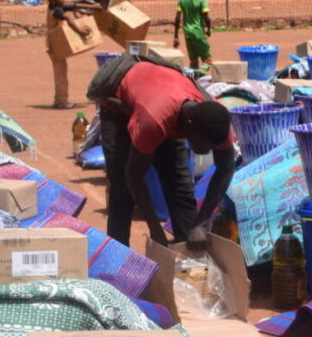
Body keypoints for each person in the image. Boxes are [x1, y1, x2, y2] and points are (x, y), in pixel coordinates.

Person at [94, 59, 237, 250]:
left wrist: (200, 224)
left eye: (210, 148)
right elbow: (134, 176)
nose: (205, 152)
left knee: (181, 190)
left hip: (161, 98)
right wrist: (155, 229)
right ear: (189, 127)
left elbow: (226, 168)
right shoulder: (154, 121)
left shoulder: (216, 119)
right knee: (122, 190)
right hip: (120, 107)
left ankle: (188, 261)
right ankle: (117, 261)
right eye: (203, 145)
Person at [45, 0, 93, 109]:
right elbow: (68, 18)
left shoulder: (56, 7)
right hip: (55, 44)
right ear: (53, 0)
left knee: (61, 71)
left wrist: (89, 9)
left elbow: (72, 7)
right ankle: (62, 101)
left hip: (54, 43)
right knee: (60, 74)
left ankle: (59, 100)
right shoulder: (56, 11)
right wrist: (81, 31)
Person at [173, 0, 211, 70]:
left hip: (187, 34)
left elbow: (177, 19)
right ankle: (201, 74)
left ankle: (193, 78)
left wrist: (176, 36)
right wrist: (209, 29)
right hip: (199, 32)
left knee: (193, 60)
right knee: (207, 60)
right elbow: (206, 17)